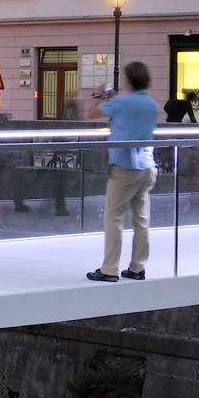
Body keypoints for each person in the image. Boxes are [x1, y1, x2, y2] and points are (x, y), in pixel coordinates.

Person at [87, 62, 160, 282]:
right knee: (141, 219)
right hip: (147, 165)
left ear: (128, 80)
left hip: (124, 166)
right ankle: (138, 267)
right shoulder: (152, 104)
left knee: (114, 217)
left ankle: (109, 269)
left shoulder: (120, 102)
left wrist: (100, 94)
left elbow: (91, 114)